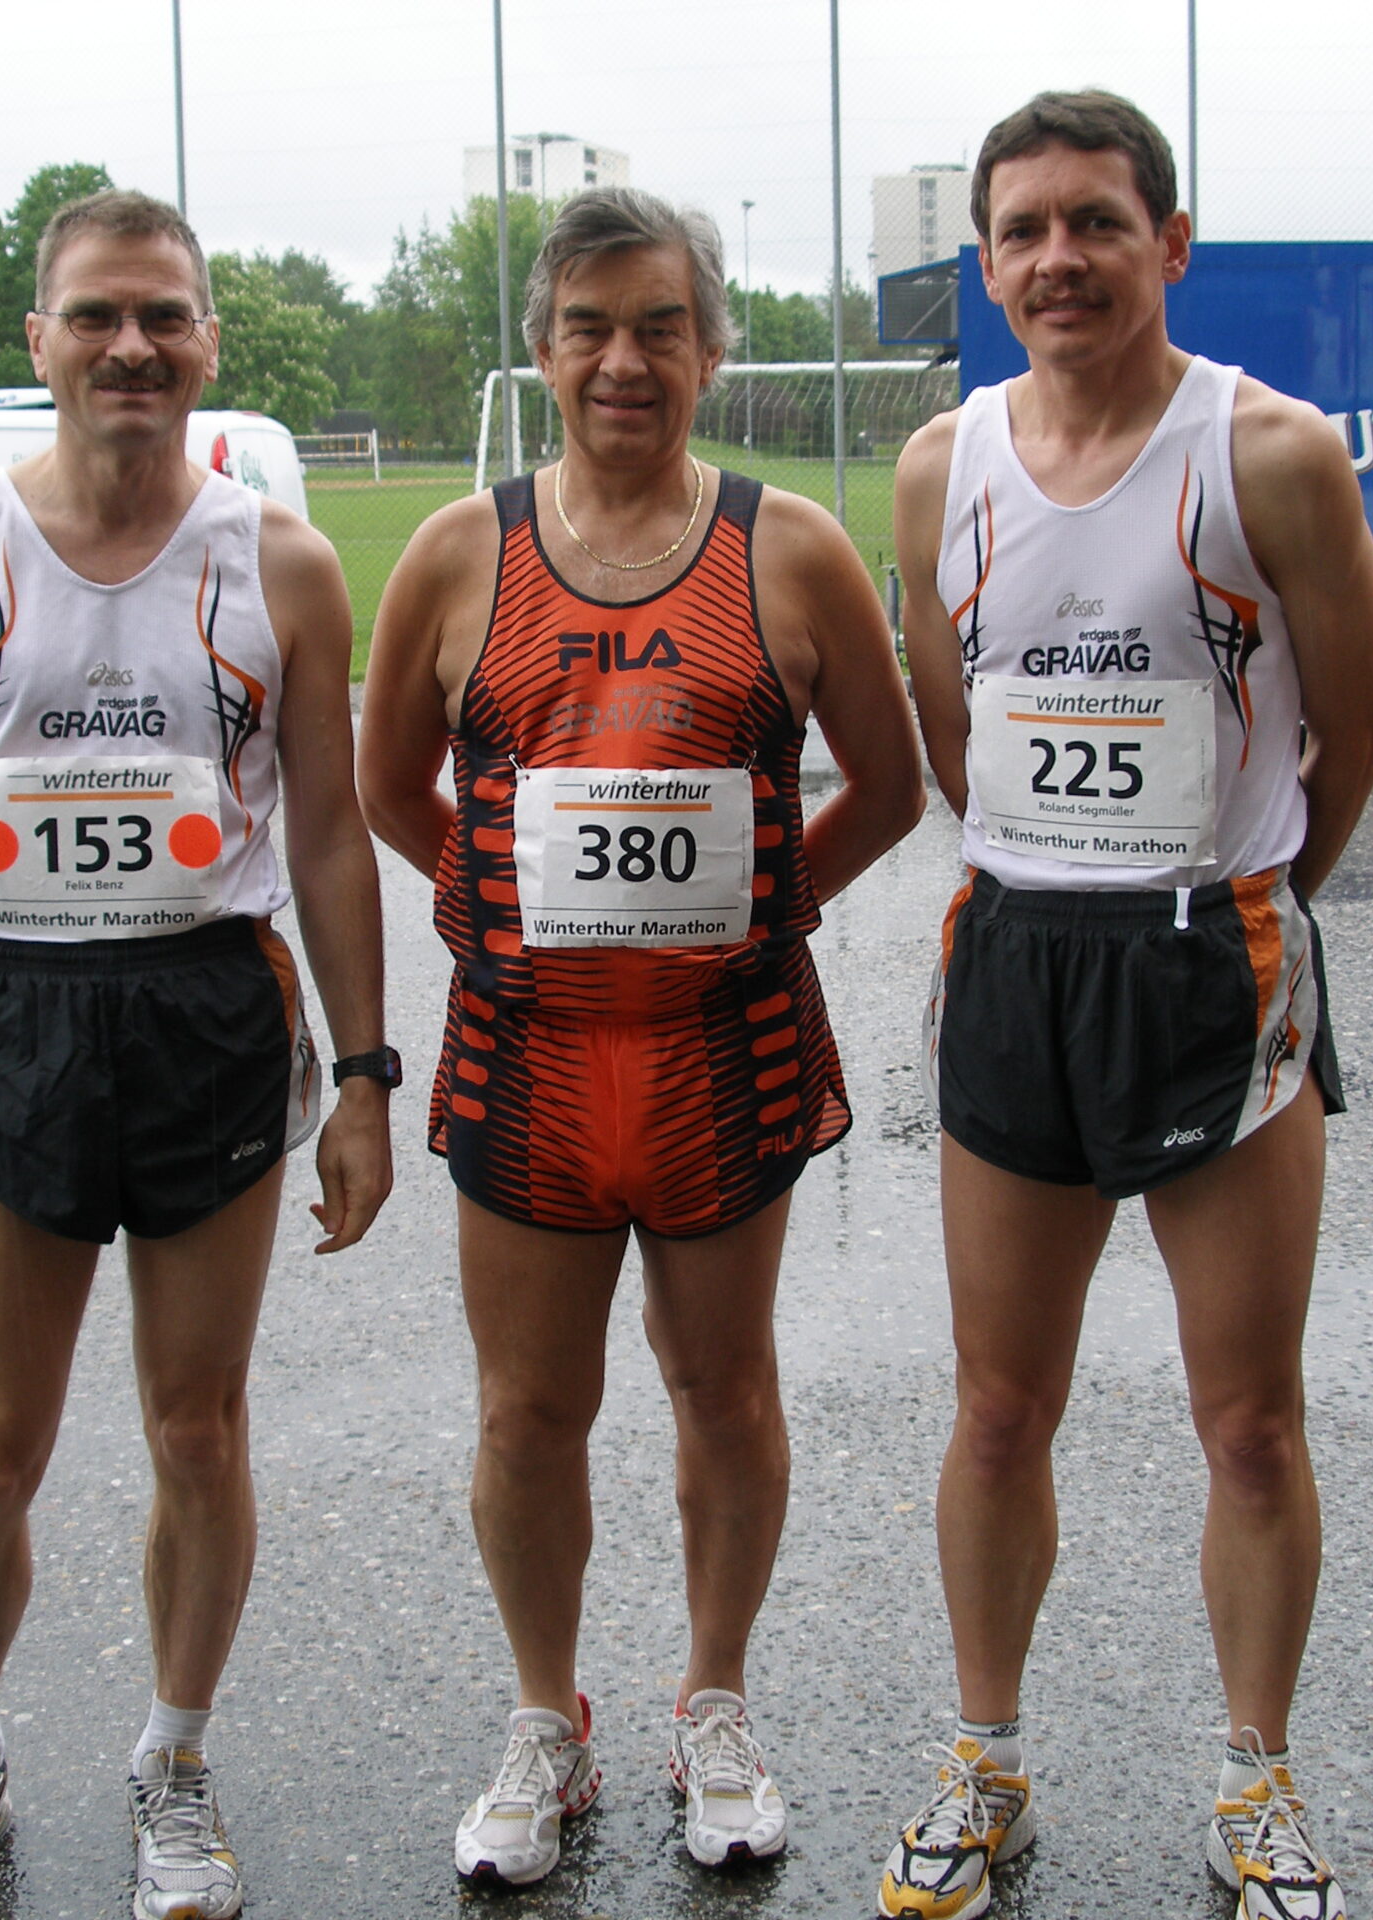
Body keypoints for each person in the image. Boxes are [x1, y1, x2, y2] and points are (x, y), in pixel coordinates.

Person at [0, 188, 395, 1920]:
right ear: (41, 342)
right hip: (11, 1013)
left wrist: (365, 1082)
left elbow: (330, 837)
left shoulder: (278, 560)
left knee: (197, 1430)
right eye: (96, 315)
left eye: (163, 315)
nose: (131, 345)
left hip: (211, 1007)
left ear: (207, 341)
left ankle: (175, 1760)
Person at [359, 185, 923, 1888]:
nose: (625, 359)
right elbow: (388, 788)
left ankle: (715, 1702)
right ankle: (548, 1718)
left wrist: (762, 910)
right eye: (591, 327)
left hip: (723, 1064)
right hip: (529, 1062)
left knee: (725, 1391)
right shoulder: (459, 555)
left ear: (712, 348)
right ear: (542, 351)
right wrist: (507, 913)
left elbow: (893, 788)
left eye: (661, 326)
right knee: (529, 1410)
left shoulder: (791, 549)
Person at [875, 92, 1373, 1920]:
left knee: (1248, 1422)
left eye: (1095, 220)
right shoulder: (941, 465)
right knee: (1000, 1409)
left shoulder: (1271, 452)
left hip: (1214, 956)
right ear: (986, 262)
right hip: (1019, 959)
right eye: (1022, 230)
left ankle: (1259, 1787)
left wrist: (1246, 895)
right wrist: (1058, 874)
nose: (1058, 258)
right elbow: (954, 732)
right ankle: (985, 1764)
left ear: (1170, 241)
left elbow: (1350, 736)